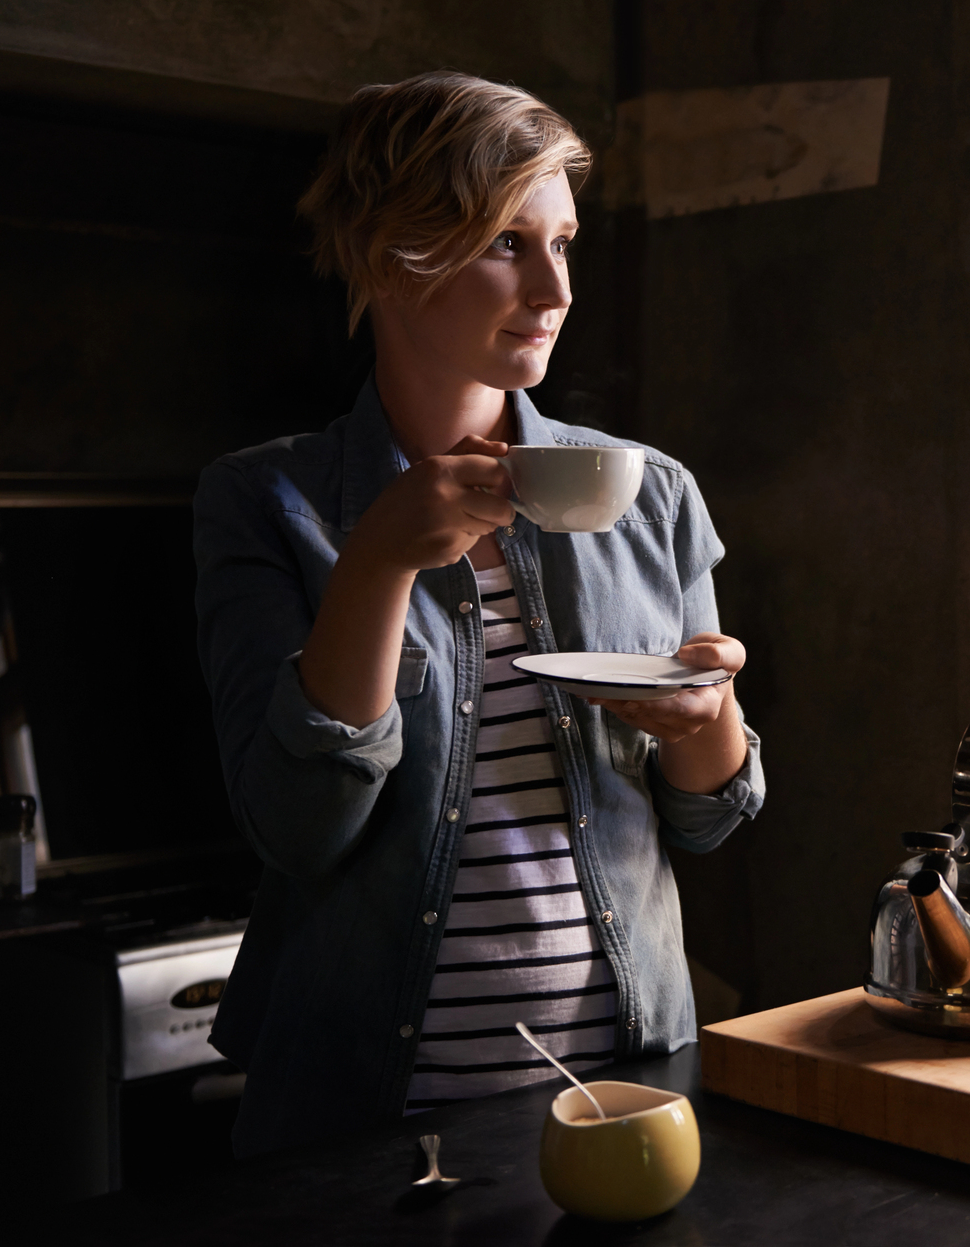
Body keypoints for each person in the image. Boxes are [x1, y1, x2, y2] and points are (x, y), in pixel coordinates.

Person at [193, 71, 763, 1157]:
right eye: (507, 242)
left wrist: (705, 723)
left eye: (564, 242)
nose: (554, 289)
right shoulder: (265, 501)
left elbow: (709, 819)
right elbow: (297, 829)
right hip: (359, 1122)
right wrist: (375, 564)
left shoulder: (650, 493)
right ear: (389, 254)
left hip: (625, 1095)